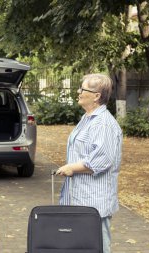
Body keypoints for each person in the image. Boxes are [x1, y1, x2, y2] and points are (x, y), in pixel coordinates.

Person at [55, 73, 123, 253]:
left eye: (82, 89)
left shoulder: (103, 124)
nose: (78, 92)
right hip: (79, 198)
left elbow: (101, 160)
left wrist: (71, 168)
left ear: (96, 96)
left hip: (94, 203)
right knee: (80, 246)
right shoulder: (88, 118)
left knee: (97, 247)